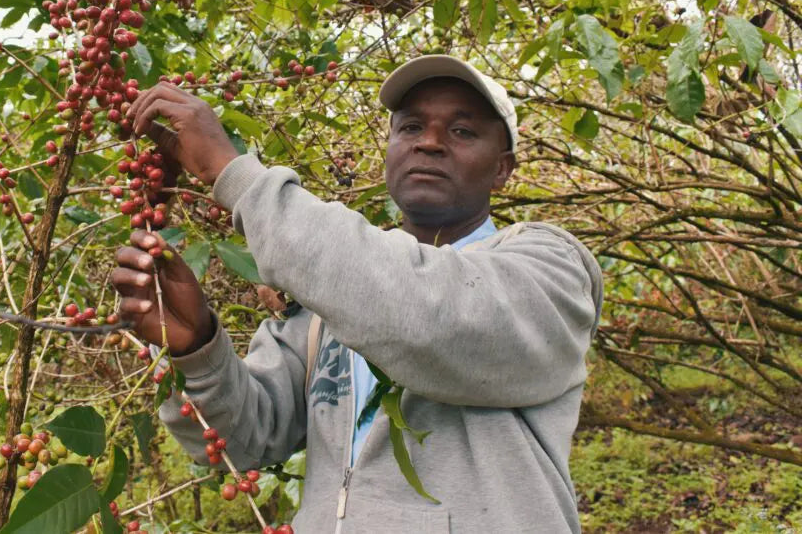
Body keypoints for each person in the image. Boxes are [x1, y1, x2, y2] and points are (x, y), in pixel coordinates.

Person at [110, 55, 604, 532]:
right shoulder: (332, 304)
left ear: (502, 168)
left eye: (462, 131)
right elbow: (241, 439)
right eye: (410, 127)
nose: (429, 143)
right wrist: (195, 347)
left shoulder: (550, 269)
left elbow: (429, 315)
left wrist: (235, 175)